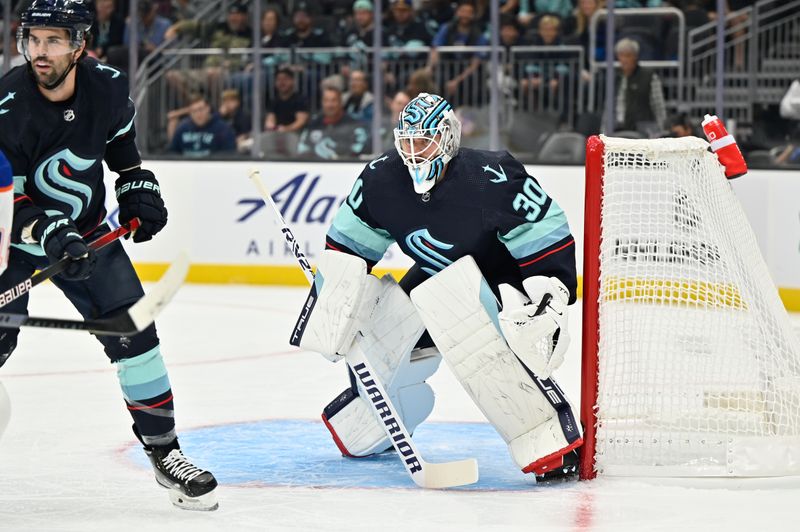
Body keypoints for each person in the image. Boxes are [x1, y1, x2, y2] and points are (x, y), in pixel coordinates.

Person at [292, 93, 582, 481]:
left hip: (500, 279)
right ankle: (370, 422)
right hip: (437, 274)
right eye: (407, 142)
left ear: (447, 138)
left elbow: (543, 226)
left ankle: (546, 441)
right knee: (387, 328)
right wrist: (336, 303)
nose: (414, 152)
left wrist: (551, 290)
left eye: (424, 140)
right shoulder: (381, 179)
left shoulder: (490, 175)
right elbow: (348, 247)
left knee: (475, 340)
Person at [0, 0, 217, 510]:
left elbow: (121, 147)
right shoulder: (6, 103)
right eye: (33, 39)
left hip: (88, 230)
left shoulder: (109, 84)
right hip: (10, 235)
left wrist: (138, 185)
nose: (40, 51)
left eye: (53, 40)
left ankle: (165, 453)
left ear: (79, 44)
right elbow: (13, 196)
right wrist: (52, 234)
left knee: (136, 338)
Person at [297, 86, 370, 160]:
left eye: (333, 100)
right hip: (316, 168)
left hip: (345, 167)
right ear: (322, 103)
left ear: (341, 102)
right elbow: (302, 147)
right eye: (326, 101)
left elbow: (360, 147)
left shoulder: (354, 125)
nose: (330, 105)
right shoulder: (313, 124)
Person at [613, 38, 667, 134]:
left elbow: (659, 107)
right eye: (621, 55)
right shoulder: (615, 77)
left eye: (628, 56)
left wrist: (662, 130)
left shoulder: (650, 77)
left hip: (644, 129)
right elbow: (609, 106)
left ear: (635, 57)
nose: (624, 60)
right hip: (619, 129)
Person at [168, 93, 237, 156]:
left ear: (208, 108)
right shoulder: (182, 128)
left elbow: (229, 154)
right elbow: (173, 152)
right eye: (193, 111)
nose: (198, 114)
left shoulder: (223, 129)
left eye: (201, 109)